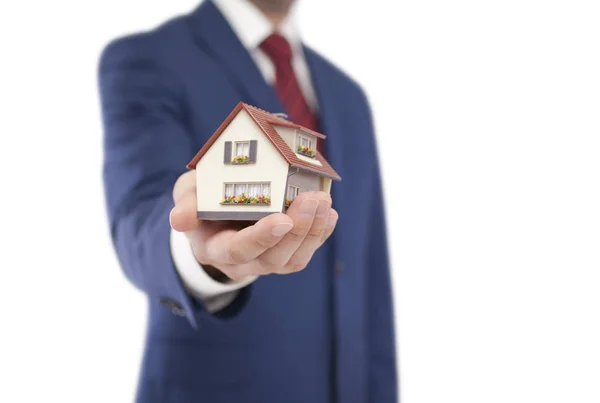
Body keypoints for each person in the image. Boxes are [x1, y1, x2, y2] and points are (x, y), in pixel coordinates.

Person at [98, 0, 396, 402]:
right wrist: (201, 252)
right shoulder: (148, 59)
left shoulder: (349, 97)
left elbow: (369, 276)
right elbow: (139, 218)